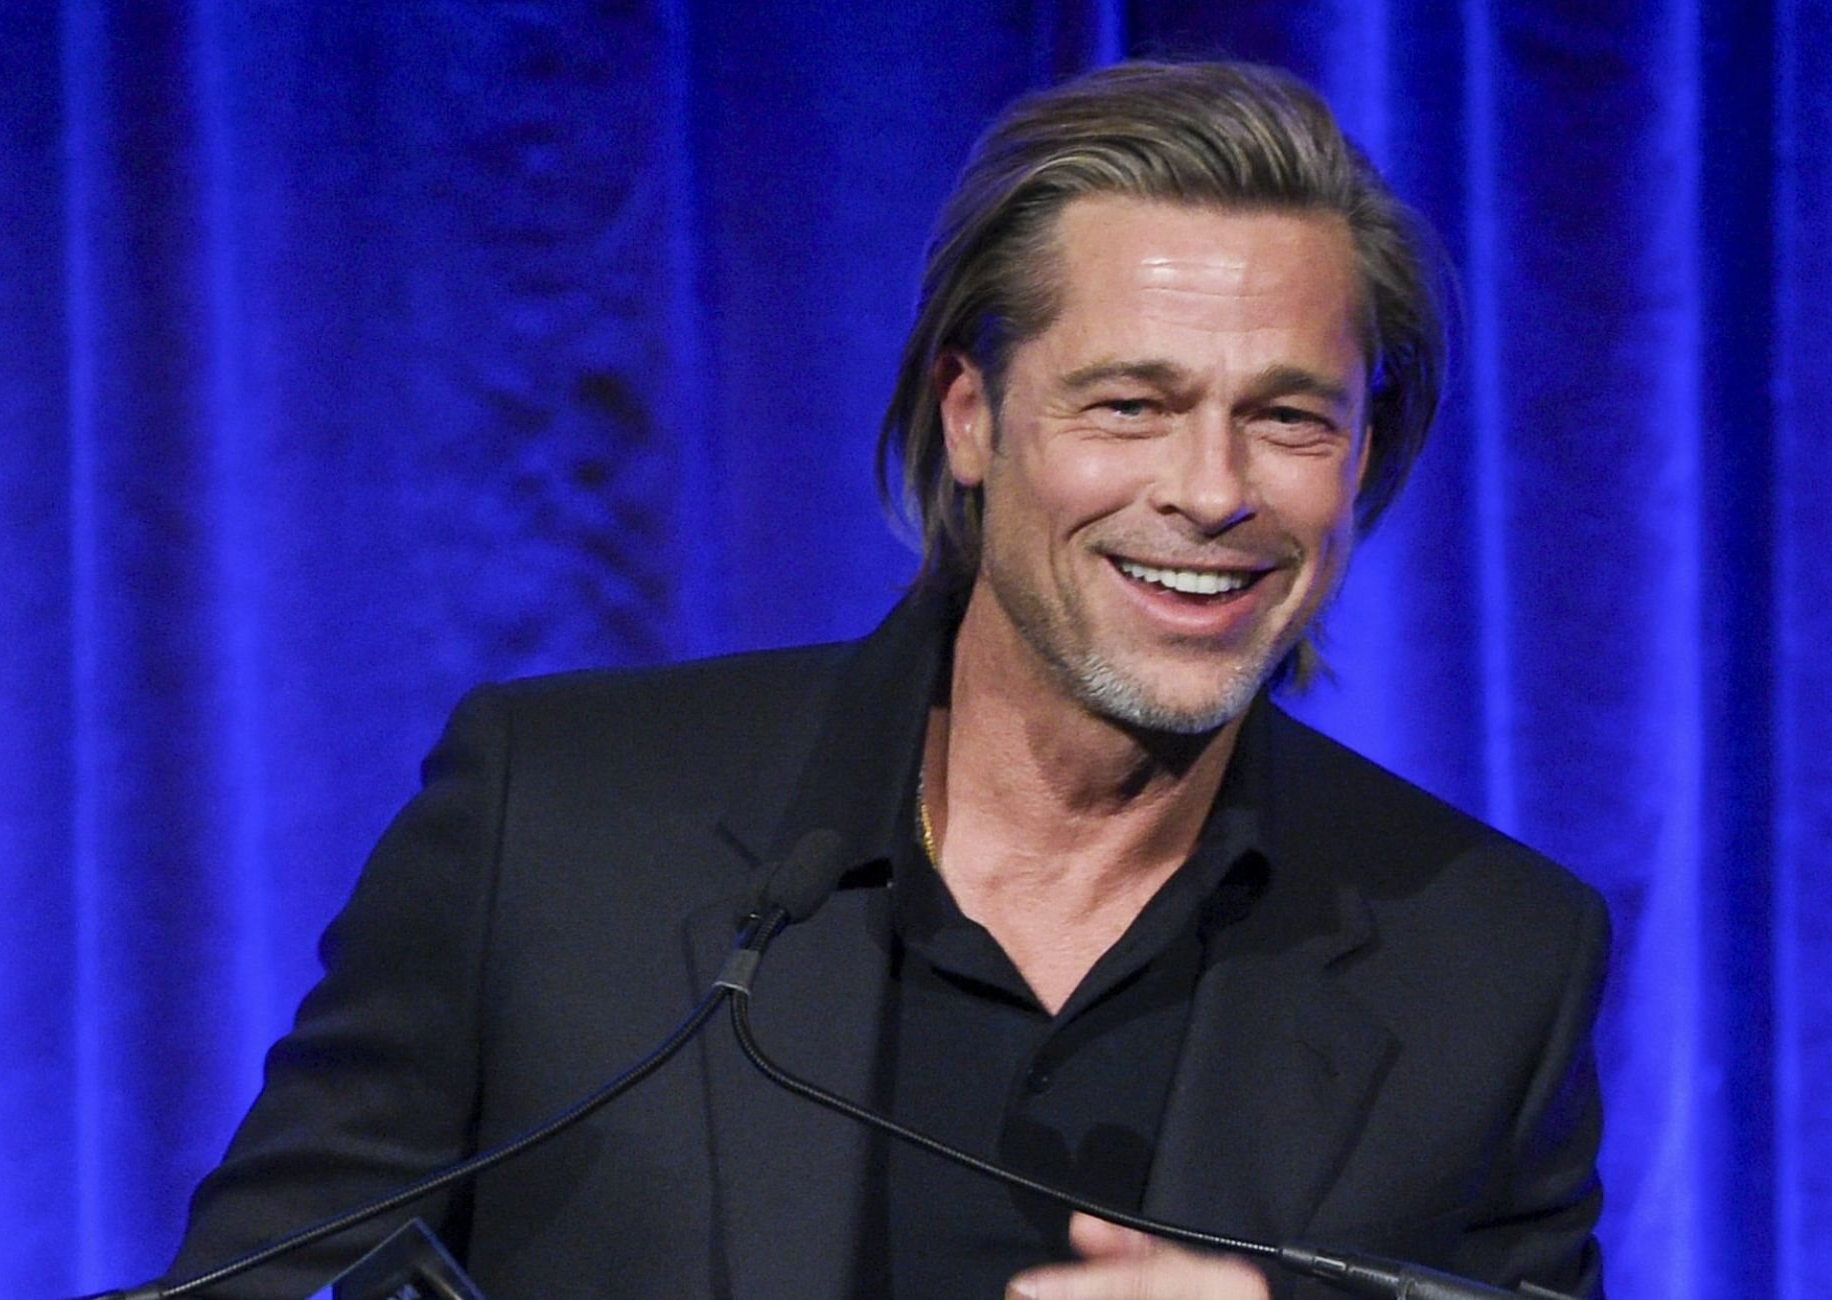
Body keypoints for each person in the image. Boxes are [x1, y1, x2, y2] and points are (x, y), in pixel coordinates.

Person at [166, 60, 1608, 1300]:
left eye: (1290, 419)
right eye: (1130, 405)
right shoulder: (554, 824)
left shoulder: (1489, 961)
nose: (1212, 489)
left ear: (1364, 458)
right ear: (970, 416)